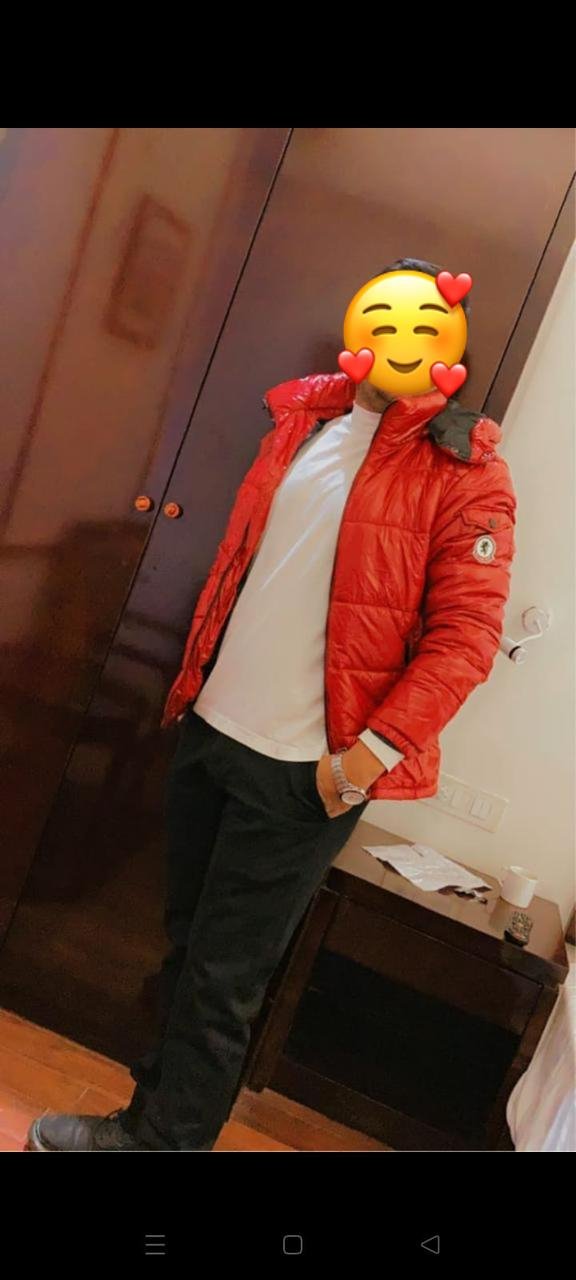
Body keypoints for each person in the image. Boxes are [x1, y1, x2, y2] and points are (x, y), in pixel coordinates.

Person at [27, 257, 517, 1151]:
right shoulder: (303, 424)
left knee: (223, 978)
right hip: (215, 731)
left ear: (451, 344)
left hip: (304, 773)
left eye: (420, 326)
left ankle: (158, 1143)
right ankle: (145, 1122)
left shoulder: (468, 472)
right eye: (382, 320)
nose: (397, 340)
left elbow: (467, 641)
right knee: (186, 949)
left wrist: (362, 762)